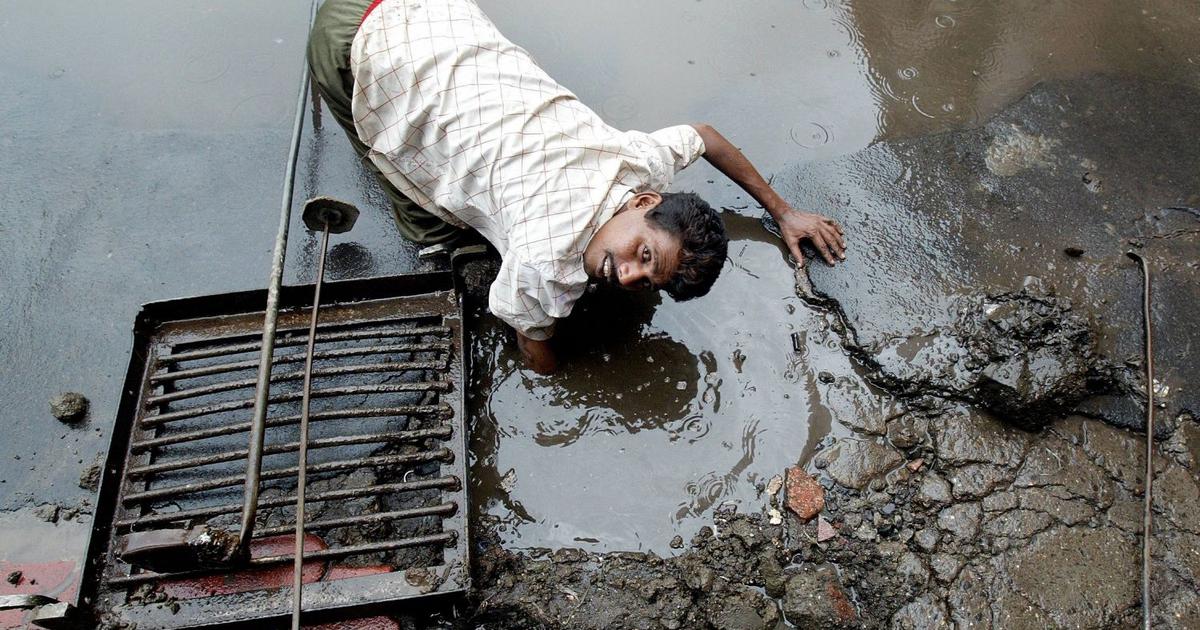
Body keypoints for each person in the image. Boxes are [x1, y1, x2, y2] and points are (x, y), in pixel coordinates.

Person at [307, 0, 847, 374]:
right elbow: (533, 341)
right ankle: (448, 240)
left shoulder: (640, 161)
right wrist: (559, 387)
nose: (627, 274)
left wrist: (783, 211)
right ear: (643, 202)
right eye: (642, 254)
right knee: (403, 176)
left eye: (645, 279)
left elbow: (704, 136)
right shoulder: (545, 266)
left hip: (440, 18)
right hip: (354, 49)